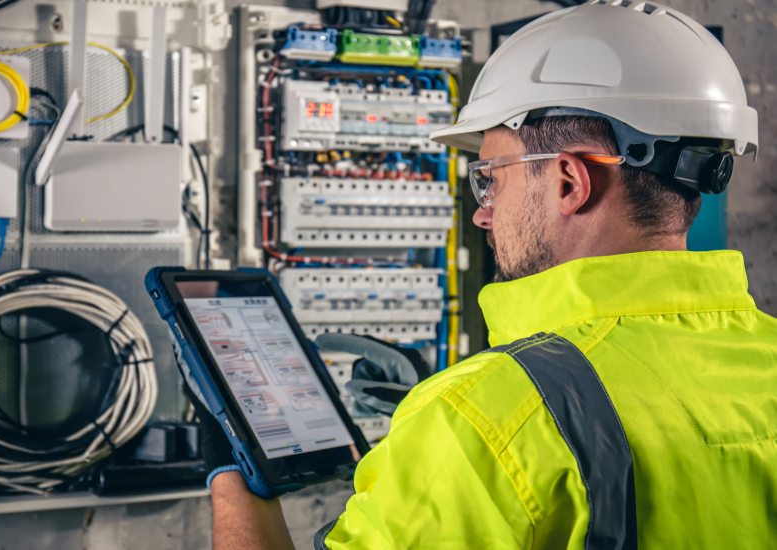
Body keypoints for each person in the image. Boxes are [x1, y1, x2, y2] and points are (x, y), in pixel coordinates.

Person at [199, 3, 777, 548]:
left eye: (490, 178)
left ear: (569, 183)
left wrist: (231, 466)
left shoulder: (477, 420)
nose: (481, 212)